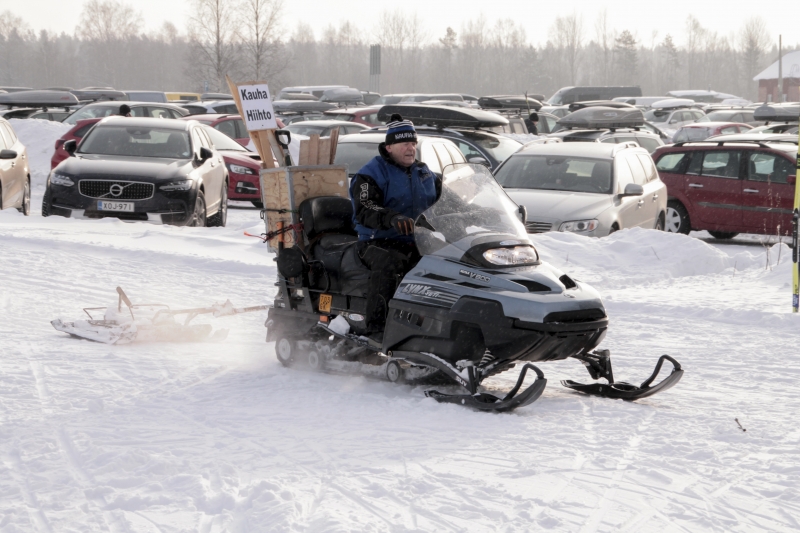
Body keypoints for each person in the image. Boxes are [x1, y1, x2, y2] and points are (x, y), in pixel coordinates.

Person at [348, 114, 441, 334]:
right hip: (377, 241)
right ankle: (377, 329)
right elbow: (365, 207)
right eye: (405, 144)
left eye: (413, 143)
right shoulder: (370, 174)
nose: (411, 149)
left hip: (418, 239)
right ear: (389, 147)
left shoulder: (425, 173)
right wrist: (391, 218)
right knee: (389, 263)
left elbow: (448, 201)